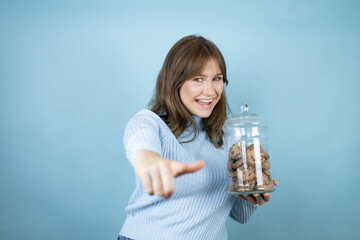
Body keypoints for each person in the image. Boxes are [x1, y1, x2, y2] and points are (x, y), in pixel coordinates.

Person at [118, 35, 278, 240]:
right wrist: (148, 161)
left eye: (217, 79)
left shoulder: (226, 139)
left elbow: (240, 215)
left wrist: (254, 194)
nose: (210, 91)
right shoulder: (151, 123)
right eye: (198, 79)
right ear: (175, 82)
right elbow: (140, 143)